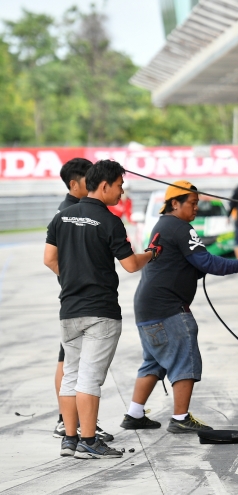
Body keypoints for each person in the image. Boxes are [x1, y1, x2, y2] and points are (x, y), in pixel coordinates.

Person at [120, 181, 238, 434]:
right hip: (168, 308)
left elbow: (178, 265)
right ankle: (181, 418)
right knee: (185, 358)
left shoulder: (162, 226)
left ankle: (134, 413)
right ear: (175, 203)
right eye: (192, 204)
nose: (196, 209)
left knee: (154, 362)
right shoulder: (180, 228)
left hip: (147, 308)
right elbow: (206, 261)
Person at [44, 160, 154, 459]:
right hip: (101, 311)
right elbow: (131, 265)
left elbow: (49, 259)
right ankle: (89, 441)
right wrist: (151, 254)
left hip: (70, 309)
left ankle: (70, 439)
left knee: (71, 376)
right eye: (119, 186)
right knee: (89, 378)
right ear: (104, 185)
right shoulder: (110, 221)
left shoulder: (61, 217)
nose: (121, 193)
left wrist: (72, 279)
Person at [52, 158, 96, 439]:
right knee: (68, 362)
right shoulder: (69, 212)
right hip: (77, 300)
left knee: (68, 359)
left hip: (75, 300)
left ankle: (70, 420)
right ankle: (65, 421)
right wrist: (73, 280)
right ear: (73, 184)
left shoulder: (73, 209)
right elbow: (51, 258)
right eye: (87, 180)